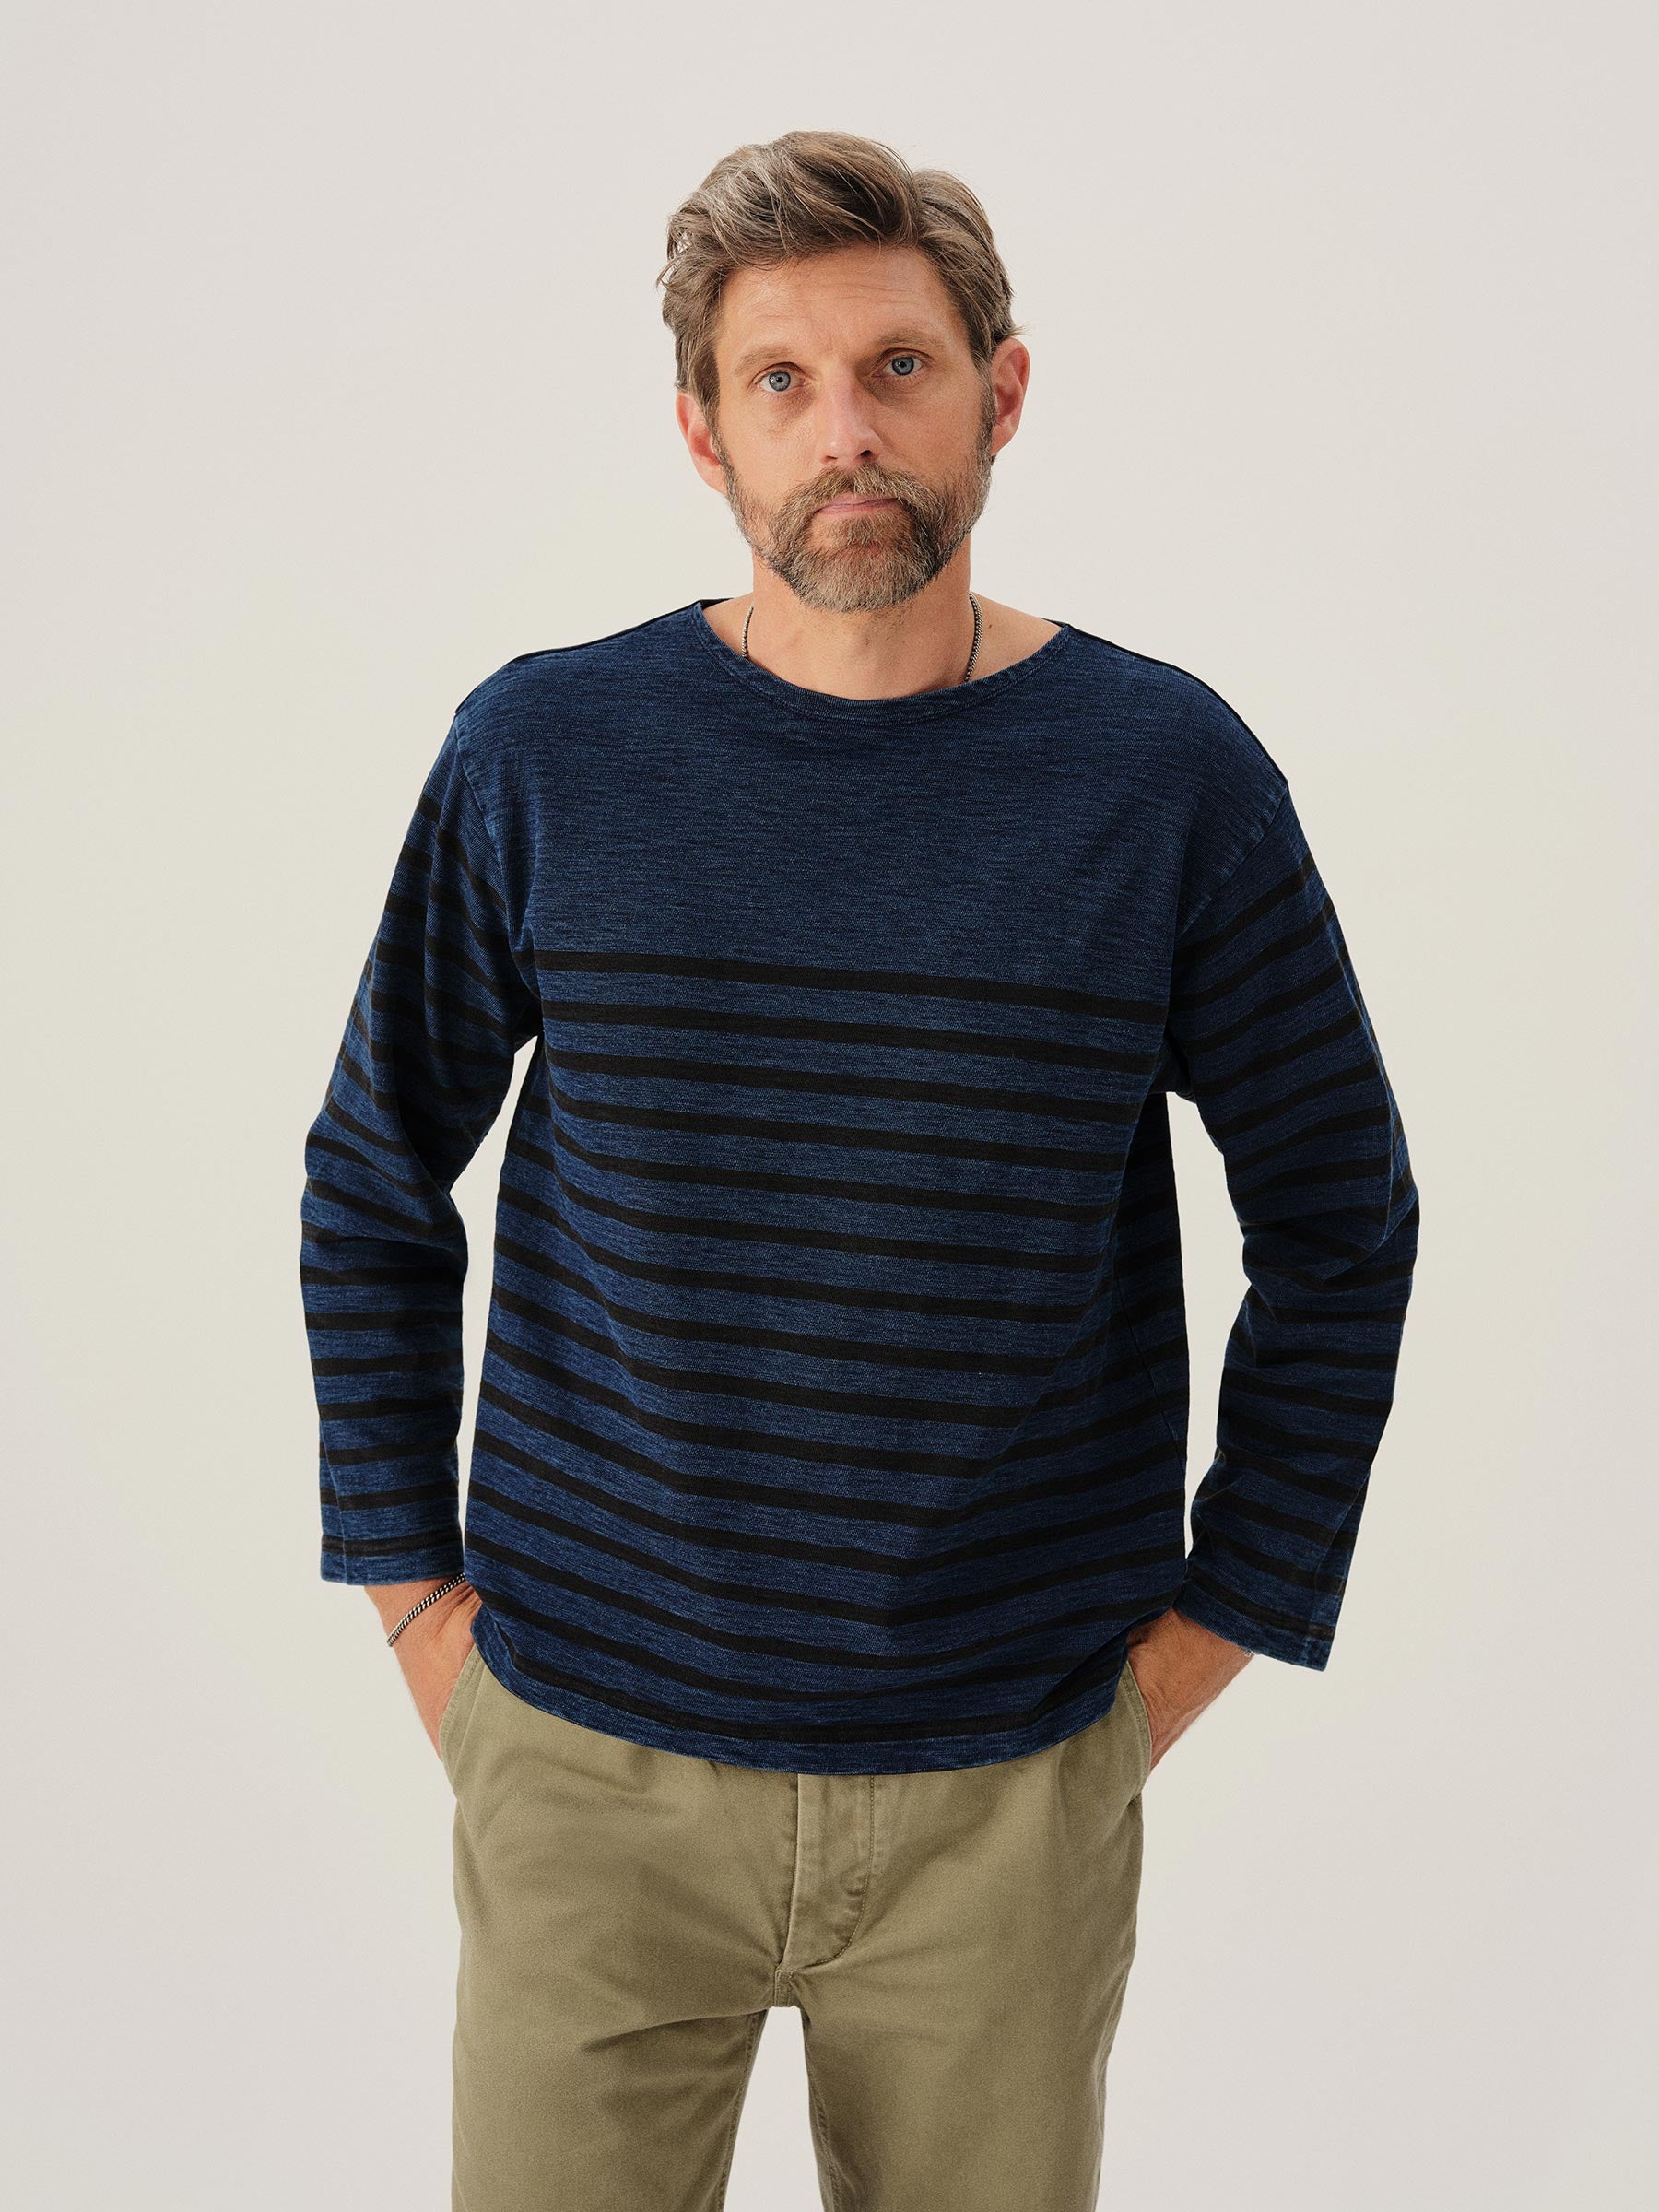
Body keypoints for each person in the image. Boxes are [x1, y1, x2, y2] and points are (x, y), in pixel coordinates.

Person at [300, 128, 1419, 2212]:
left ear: (1002, 393)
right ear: (701, 431)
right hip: (584, 1765)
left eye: (900, 367)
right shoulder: (545, 755)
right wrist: (420, 1622)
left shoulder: (1166, 782)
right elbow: (375, 1178)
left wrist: (1204, 1642)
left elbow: (1342, 1221)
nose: (847, 434)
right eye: (783, 380)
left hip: (1007, 1792)